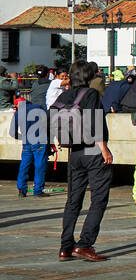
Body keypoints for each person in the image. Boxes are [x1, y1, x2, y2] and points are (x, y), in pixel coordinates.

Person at [57, 61, 113, 262]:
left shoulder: (63, 95)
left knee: (73, 200)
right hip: (93, 151)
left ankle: (65, 246)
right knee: (99, 197)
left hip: (74, 153)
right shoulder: (90, 95)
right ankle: (85, 244)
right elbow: (95, 122)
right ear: (89, 76)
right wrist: (104, 148)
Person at [14, 87, 51, 197]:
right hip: (40, 140)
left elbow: (14, 131)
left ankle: (21, 190)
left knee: (24, 166)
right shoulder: (37, 107)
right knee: (40, 165)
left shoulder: (17, 113)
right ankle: (38, 190)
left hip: (26, 143)